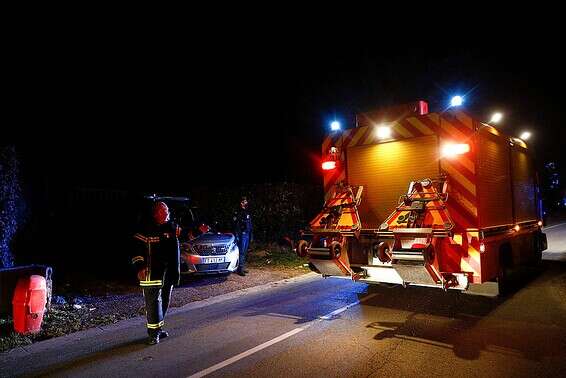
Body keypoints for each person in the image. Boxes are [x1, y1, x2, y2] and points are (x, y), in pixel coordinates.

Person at [131, 201, 181, 345]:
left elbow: (186, 235)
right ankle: (153, 334)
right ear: (155, 213)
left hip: (168, 274)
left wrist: (199, 231)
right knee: (153, 304)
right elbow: (136, 249)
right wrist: (140, 267)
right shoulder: (145, 229)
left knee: (164, 301)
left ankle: (158, 329)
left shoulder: (171, 228)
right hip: (151, 273)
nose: (167, 213)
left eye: (167, 210)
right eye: (163, 210)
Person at [233, 196, 252, 276]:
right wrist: (238, 234)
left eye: (246, 201)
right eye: (244, 201)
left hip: (247, 233)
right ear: (241, 203)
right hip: (242, 234)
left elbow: (249, 223)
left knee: (244, 251)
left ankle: (242, 267)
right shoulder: (238, 212)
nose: (246, 202)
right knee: (241, 251)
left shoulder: (246, 211)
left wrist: (251, 233)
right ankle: (239, 269)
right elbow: (236, 224)